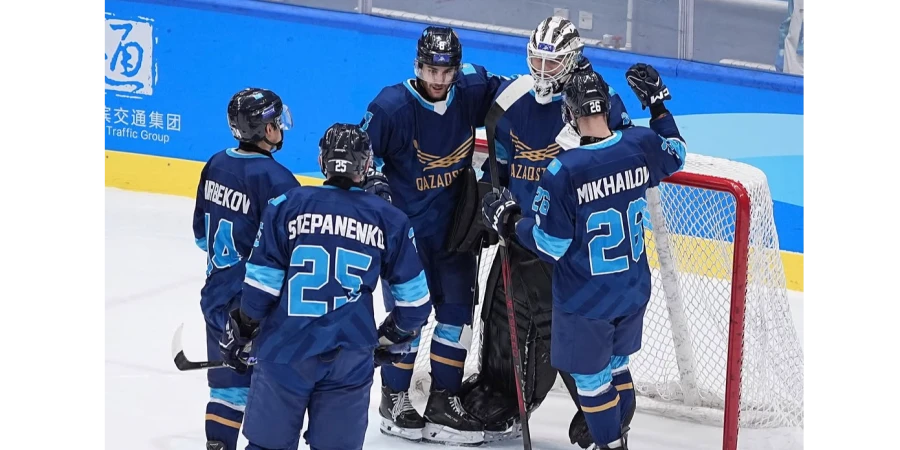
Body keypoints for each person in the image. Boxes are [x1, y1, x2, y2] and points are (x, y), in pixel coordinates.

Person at [480, 66, 686, 449]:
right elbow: (676, 152)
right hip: (633, 289)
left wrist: (509, 220)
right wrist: (657, 106)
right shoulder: (640, 144)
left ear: (569, 115)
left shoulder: (564, 170)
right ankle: (620, 435)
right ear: (607, 108)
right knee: (617, 366)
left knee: (591, 380)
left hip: (586, 299)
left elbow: (550, 245)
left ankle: (610, 445)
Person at [461, 16, 634, 445]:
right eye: (536, 59)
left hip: (578, 249)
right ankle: (505, 397)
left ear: (572, 61)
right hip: (521, 236)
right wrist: (493, 202)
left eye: (552, 62)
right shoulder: (510, 99)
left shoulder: (598, 102)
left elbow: (619, 163)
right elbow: (499, 159)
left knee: (577, 335)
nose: (541, 70)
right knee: (508, 319)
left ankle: (606, 418)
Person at [217, 123, 432, 450]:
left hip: (284, 350)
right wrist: (392, 336)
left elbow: (261, 288)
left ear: (322, 161)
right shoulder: (389, 219)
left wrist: (243, 329)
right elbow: (416, 305)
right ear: (366, 165)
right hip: (350, 356)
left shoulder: (286, 205)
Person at [360, 25, 506, 445]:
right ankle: (394, 398)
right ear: (416, 65)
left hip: (454, 232)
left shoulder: (473, 87)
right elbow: (360, 154)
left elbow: (521, 95)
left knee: (457, 316)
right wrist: (374, 186)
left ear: (457, 70)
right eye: (430, 69)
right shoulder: (390, 107)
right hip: (404, 237)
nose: (438, 79)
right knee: (410, 317)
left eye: (446, 70)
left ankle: (444, 399)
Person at [191, 87, 300, 450]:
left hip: (216, 296)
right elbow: (293, 252)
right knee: (269, 391)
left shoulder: (215, 163)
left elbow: (201, 238)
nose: (280, 127)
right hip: (255, 305)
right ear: (266, 130)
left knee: (227, 390)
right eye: (275, 122)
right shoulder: (278, 180)